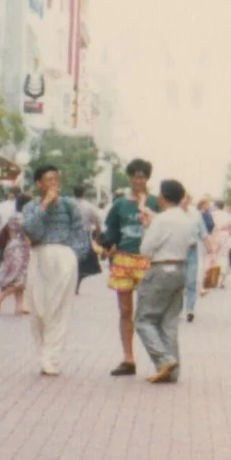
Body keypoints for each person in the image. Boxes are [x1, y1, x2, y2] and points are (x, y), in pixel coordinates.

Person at [20, 165, 88, 375]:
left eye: (56, 180)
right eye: (48, 180)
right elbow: (30, 230)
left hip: (64, 254)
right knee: (39, 309)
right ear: (39, 183)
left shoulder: (69, 205)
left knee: (59, 308)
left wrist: (74, 256)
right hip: (40, 254)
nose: (53, 184)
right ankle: (44, 352)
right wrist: (45, 205)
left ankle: (52, 359)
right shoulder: (31, 207)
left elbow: (80, 232)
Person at [134, 178, 202, 384]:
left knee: (144, 320)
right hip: (180, 268)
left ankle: (164, 360)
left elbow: (145, 250)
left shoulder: (161, 220)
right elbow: (191, 243)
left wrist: (148, 227)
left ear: (162, 196)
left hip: (160, 269)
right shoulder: (188, 220)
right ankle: (172, 370)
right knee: (169, 322)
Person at [100, 158, 155, 373]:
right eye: (134, 177)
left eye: (142, 177)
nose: (138, 181)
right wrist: (107, 246)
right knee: (125, 310)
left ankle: (157, 357)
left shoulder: (155, 202)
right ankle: (128, 358)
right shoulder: (120, 204)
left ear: (147, 178)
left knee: (148, 312)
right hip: (124, 258)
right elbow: (111, 231)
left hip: (147, 259)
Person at [0, 196, 33, 317]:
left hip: (11, 246)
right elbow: (27, 235)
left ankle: (19, 306)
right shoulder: (23, 218)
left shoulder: (13, 216)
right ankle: (0, 297)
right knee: (20, 278)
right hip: (20, 248)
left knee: (19, 277)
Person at [202, 200, 231, 292]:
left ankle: (209, 278)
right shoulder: (228, 215)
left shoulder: (211, 214)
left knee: (211, 257)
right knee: (224, 257)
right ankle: (221, 280)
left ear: (215, 206)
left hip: (213, 236)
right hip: (225, 237)